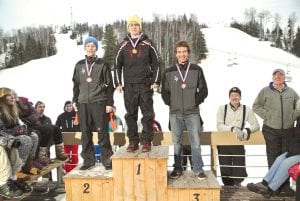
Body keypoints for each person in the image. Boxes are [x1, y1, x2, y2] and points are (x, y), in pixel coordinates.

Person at [161, 41, 208, 180]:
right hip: (175, 113)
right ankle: (177, 168)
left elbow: (204, 90)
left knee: (196, 142)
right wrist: (171, 103)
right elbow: (164, 91)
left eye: (184, 52)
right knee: (177, 143)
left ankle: (198, 169)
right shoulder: (169, 71)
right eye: (179, 52)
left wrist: (195, 101)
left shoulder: (196, 69)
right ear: (176, 54)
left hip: (192, 112)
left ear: (188, 53)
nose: (182, 54)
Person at [114, 15, 160, 153]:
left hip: (145, 85)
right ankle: (133, 141)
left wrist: (156, 81)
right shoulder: (123, 45)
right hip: (129, 86)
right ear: (128, 27)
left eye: (136, 25)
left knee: (147, 114)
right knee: (131, 114)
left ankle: (146, 141)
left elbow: (157, 63)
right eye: (131, 25)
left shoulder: (148, 43)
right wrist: (118, 83)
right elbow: (117, 65)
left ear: (140, 27)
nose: (134, 27)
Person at [253, 68, 300, 193]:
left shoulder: (292, 92)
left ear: (284, 78)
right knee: (273, 157)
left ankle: (284, 186)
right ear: (272, 78)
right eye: (276, 75)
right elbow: (256, 106)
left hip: (288, 131)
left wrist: (293, 116)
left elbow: (299, 106)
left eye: (281, 75)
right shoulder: (265, 91)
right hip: (271, 130)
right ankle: (273, 187)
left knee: (286, 158)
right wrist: (268, 116)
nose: (278, 77)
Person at [72, 36, 114, 170]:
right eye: (88, 46)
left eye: (93, 46)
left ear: (96, 48)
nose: (90, 48)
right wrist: (75, 99)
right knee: (85, 133)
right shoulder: (79, 65)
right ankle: (88, 160)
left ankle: (107, 159)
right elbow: (76, 84)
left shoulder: (103, 64)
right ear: (85, 48)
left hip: (99, 101)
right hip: (83, 102)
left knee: (102, 132)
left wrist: (109, 103)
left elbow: (110, 85)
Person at [216, 87, 260, 186]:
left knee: (239, 167)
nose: (234, 97)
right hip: (224, 142)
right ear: (229, 97)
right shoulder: (222, 108)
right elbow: (219, 126)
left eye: (236, 95)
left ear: (240, 97)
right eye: (232, 95)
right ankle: (228, 188)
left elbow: (256, 125)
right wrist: (233, 128)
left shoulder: (246, 109)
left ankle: (238, 186)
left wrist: (246, 130)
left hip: (238, 141)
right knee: (225, 167)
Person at [247, 132, 300, 198]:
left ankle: (270, 189)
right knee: (280, 158)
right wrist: (292, 151)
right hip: (296, 151)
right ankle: (264, 183)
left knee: (286, 163)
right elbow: (295, 139)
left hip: (297, 152)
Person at [55, 101, 80, 173]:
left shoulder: (77, 115)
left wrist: (79, 134)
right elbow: (57, 127)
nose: (69, 107)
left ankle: (74, 169)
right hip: (65, 137)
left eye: (70, 106)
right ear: (64, 107)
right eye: (67, 106)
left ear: (72, 107)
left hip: (75, 137)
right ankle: (68, 170)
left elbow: (81, 126)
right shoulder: (61, 116)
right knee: (66, 154)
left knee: (74, 154)